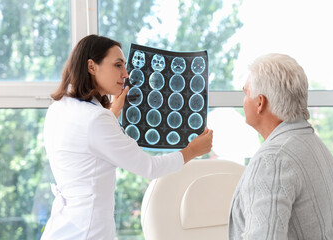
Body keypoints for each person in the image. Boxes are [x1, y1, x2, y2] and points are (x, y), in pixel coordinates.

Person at [41, 34, 213, 240]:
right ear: (91, 66)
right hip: (88, 231)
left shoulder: (59, 108)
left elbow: (86, 144)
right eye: (118, 65)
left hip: (62, 228)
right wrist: (192, 151)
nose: (126, 73)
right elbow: (149, 167)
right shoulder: (96, 119)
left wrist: (112, 113)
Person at [228, 53, 333, 239]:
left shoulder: (272, 159)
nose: (243, 101)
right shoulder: (315, 145)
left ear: (260, 102)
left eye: (245, 93)